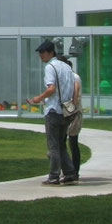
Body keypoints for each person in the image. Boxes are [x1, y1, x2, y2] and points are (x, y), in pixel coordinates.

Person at [27, 40, 76, 184]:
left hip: (54, 110)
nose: (40, 56)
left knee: (53, 146)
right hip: (66, 110)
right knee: (61, 145)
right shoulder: (66, 67)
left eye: (43, 53)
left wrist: (38, 98)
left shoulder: (50, 67)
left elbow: (51, 89)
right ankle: (70, 173)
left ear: (50, 53)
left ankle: (54, 176)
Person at [60, 55, 83, 177]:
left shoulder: (74, 78)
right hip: (64, 112)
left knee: (73, 143)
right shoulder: (64, 78)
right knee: (62, 143)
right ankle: (67, 170)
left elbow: (76, 97)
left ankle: (74, 171)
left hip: (73, 113)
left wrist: (70, 111)